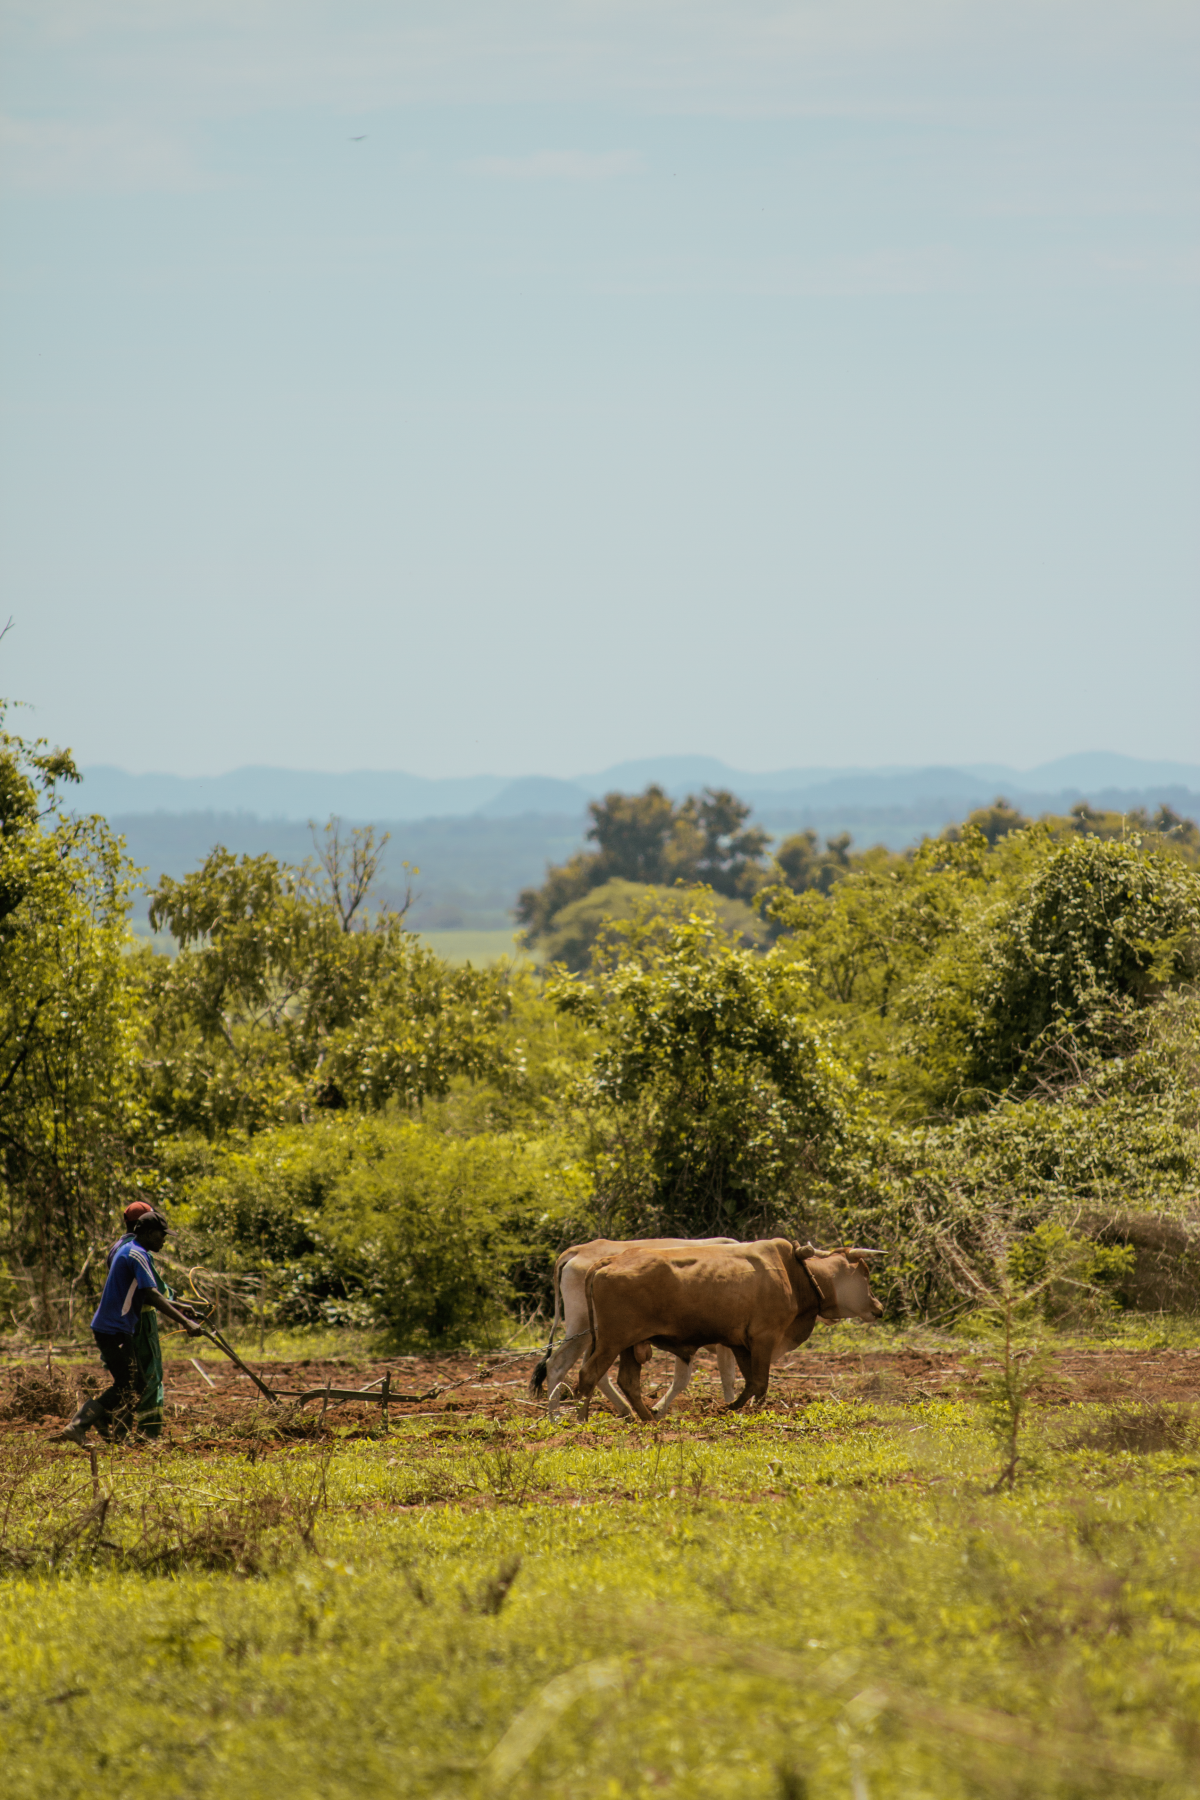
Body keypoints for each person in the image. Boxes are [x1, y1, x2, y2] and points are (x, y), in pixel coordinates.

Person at [53, 1209, 203, 1445]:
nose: (164, 1240)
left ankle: (108, 1425)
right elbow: (152, 1295)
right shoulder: (137, 1255)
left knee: (136, 1383)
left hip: (115, 1328)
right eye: (162, 1235)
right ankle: (80, 1424)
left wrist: (181, 1307)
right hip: (114, 1330)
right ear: (149, 1233)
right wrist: (185, 1322)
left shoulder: (129, 1250)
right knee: (128, 1384)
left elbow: (145, 1294)